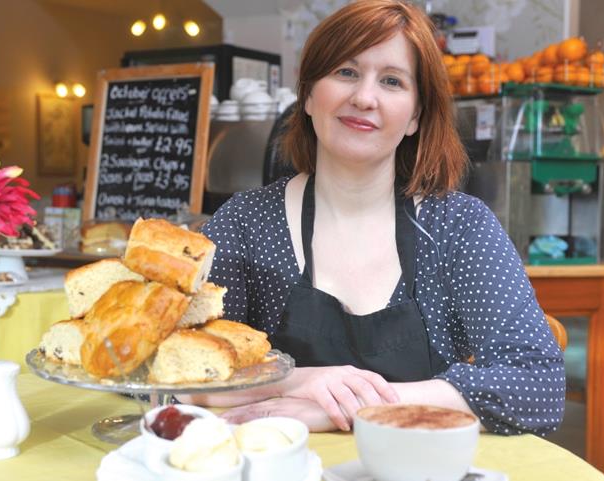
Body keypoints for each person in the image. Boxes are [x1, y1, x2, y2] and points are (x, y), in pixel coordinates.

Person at [184, 0, 565, 436]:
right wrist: (293, 380)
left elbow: (538, 385)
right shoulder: (246, 223)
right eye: (346, 72)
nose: (364, 98)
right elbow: (157, 370)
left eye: (391, 81)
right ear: (308, 95)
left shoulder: (458, 226)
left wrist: (348, 409)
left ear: (415, 116)